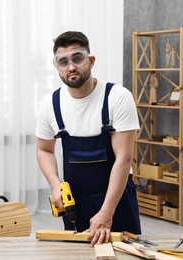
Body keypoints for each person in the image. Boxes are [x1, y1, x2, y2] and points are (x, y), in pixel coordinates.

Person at [36, 31, 141, 246]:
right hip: (76, 202)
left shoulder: (117, 97)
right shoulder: (50, 104)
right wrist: (56, 185)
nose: (71, 67)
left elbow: (124, 158)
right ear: (56, 66)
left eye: (77, 58)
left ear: (90, 61)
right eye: (62, 61)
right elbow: (44, 150)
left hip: (117, 199)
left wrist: (106, 213)